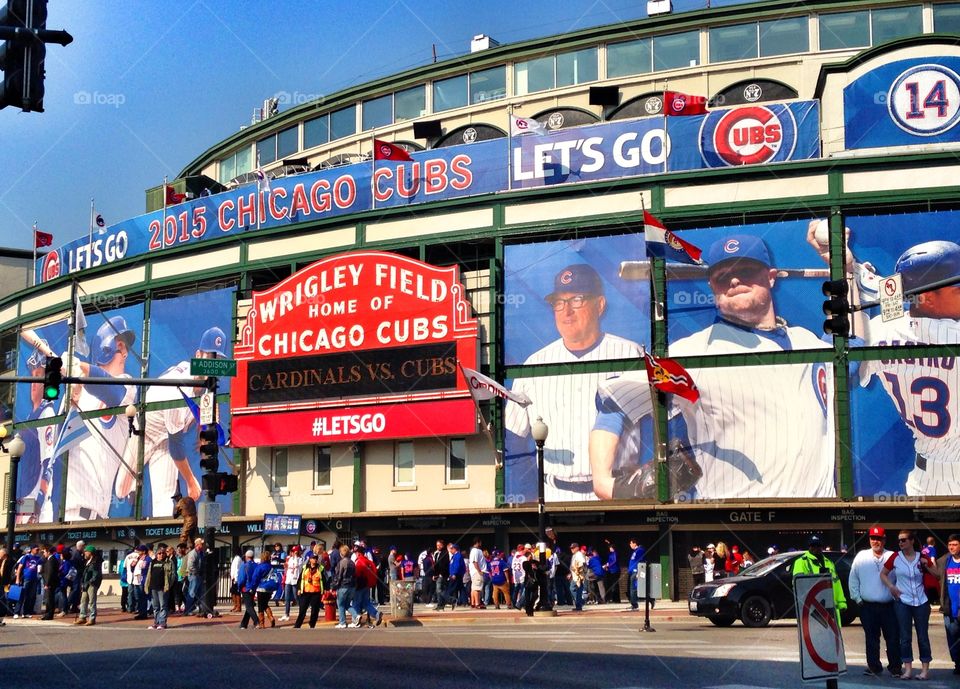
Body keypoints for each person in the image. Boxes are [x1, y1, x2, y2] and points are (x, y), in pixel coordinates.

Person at [591, 235, 835, 500]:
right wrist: (604, 483)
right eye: (722, 276)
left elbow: (851, 347)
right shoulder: (696, 351)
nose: (734, 280)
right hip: (735, 519)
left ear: (771, 277)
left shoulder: (807, 341)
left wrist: (844, 265)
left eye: (746, 271)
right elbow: (614, 400)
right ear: (712, 287)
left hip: (820, 516)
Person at [505, 263, 643, 501]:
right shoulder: (533, 364)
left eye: (577, 299)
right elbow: (513, 438)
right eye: (559, 302)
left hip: (618, 493)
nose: (566, 311)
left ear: (600, 305)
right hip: (553, 494)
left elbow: (657, 423)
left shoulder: (631, 354)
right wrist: (529, 494)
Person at [833, 239, 960, 497]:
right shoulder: (953, 334)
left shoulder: (880, 331)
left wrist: (850, 270)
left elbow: (892, 301)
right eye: (958, 289)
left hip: (924, 483)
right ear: (927, 298)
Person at [115, 327, 228, 516]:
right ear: (198, 354)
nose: (214, 364)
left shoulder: (204, 383)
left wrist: (204, 425)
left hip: (166, 441)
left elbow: (191, 423)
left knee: (164, 502)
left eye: (219, 360)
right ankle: (134, 484)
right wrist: (191, 481)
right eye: (210, 357)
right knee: (121, 490)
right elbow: (177, 446)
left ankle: (161, 539)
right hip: (146, 430)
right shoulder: (179, 390)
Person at [63, 317, 137, 522]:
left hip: (90, 516)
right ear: (105, 347)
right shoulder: (75, 388)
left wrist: (80, 367)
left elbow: (112, 392)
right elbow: (59, 445)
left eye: (125, 347)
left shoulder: (128, 385)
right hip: (57, 510)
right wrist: (72, 400)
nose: (125, 353)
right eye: (120, 345)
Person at [881, 530, 937, 680]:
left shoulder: (922, 557)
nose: (901, 543)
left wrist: (928, 566)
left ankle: (925, 670)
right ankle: (908, 670)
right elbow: (883, 574)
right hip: (903, 601)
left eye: (904, 540)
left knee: (922, 636)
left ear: (912, 541)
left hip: (921, 601)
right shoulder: (895, 557)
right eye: (899, 541)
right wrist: (891, 587)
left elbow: (937, 574)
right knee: (905, 637)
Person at [849, 526, 902, 677]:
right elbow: (853, 579)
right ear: (869, 539)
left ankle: (895, 667)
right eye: (873, 538)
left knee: (892, 637)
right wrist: (857, 598)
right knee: (871, 639)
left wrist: (898, 598)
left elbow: (901, 578)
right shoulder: (861, 556)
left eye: (879, 538)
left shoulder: (893, 556)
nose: (875, 541)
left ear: (884, 540)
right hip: (868, 606)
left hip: (889, 606)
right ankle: (874, 667)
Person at [792, 535, 847, 625]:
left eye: (818, 545)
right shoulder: (801, 562)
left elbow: (836, 583)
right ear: (809, 547)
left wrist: (841, 602)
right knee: (816, 637)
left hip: (830, 608)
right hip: (812, 609)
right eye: (813, 545)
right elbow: (799, 586)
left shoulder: (829, 563)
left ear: (822, 547)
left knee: (832, 637)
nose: (816, 548)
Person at [937, 533, 960, 676]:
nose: (952, 547)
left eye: (955, 544)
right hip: (949, 607)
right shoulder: (945, 560)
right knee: (953, 639)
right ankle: (958, 664)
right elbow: (936, 574)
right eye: (950, 545)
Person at [350, 543, 383, 628]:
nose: (355, 554)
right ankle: (376, 614)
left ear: (358, 553)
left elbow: (356, 574)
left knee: (356, 603)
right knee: (366, 603)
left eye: (356, 552)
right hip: (367, 585)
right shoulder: (369, 561)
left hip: (359, 585)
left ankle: (355, 621)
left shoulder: (359, 561)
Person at [147, 545, 175, 630]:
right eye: (159, 553)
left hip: (163, 587)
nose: (161, 555)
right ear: (156, 554)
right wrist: (147, 585)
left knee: (163, 605)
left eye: (163, 553)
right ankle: (156, 622)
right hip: (153, 586)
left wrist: (168, 585)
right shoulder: (153, 562)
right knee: (155, 606)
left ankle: (162, 623)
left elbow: (173, 575)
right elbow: (149, 574)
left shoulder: (169, 562)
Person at [294, 554, 323, 629]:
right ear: (310, 559)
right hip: (305, 592)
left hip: (316, 592)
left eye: (316, 558)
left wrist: (325, 589)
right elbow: (300, 579)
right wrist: (299, 589)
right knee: (302, 610)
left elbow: (324, 580)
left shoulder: (320, 568)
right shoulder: (304, 568)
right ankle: (297, 625)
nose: (315, 560)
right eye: (313, 558)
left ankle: (312, 624)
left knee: (315, 611)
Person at [14, 544, 42, 618]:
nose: (38, 551)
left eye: (38, 550)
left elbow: (41, 567)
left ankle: (26, 612)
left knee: (30, 596)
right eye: (36, 549)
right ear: (32, 549)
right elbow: (19, 568)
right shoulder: (26, 557)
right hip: (26, 578)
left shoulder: (38, 558)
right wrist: (17, 578)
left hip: (34, 579)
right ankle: (16, 612)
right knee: (22, 595)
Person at [75, 545, 101, 627]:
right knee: (83, 600)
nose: (85, 553)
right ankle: (82, 617)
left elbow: (96, 574)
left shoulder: (95, 562)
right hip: (86, 583)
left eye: (86, 551)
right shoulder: (87, 561)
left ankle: (92, 618)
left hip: (92, 584)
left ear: (90, 553)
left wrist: (90, 582)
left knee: (92, 601)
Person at [330, 544, 355, 629]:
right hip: (352, 586)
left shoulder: (341, 562)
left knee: (340, 604)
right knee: (347, 604)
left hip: (343, 586)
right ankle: (356, 615)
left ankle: (342, 622)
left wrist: (334, 586)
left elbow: (339, 576)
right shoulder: (352, 562)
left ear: (341, 553)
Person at [236, 550, 261, 629]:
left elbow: (242, 578)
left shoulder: (244, 565)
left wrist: (239, 587)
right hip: (253, 587)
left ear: (246, 557)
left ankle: (256, 621)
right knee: (249, 605)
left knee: (249, 606)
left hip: (246, 588)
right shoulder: (256, 565)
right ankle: (244, 623)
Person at [254, 551, 277, 628]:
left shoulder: (260, 566)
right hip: (269, 588)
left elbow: (255, 577)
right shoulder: (271, 567)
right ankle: (271, 617)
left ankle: (262, 623)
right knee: (265, 604)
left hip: (261, 587)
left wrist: (252, 586)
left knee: (260, 606)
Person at [281, 544, 303, 621]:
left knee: (296, 597)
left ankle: (302, 612)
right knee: (287, 597)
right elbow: (287, 567)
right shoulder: (290, 559)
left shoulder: (300, 559)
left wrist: (296, 556)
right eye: (293, 551)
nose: (293, 553)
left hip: (295, 580)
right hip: (289, 580)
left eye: (295, 552)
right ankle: (286, 614)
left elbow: (297, 565)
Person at [39, 544, 59, 620]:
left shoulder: (52, 560)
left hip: (50, 583)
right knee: (49, 599)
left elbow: (50, 573)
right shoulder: (48, 559)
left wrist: (47, 583)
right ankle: (48, 614)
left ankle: (49, 614)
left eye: (44, 552)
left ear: (48, 552)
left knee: (49, 599)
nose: (44, 554)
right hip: (49, 582)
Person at [468, 537, 487, 609]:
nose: (481, 544)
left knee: (473, 588)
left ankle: (473, 603)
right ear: (478, 542)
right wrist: (479, 571)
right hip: (477, 571)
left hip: (473, 572)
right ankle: (477, 603)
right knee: (477, 588)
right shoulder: (476, 550)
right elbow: (475, 562)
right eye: (480, 542)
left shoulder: (473, 550)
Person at [568, 542, 587, 611]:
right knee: (577, 590)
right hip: (575, 575)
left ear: (577, 548)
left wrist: (578, 571)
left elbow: (582, 563)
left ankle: (580, 603)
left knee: (573, 588)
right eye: (571, 548)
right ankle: (579, 604)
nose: (572, 549)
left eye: (573, 548)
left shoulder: (579, 554)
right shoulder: (574, 555)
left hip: (579, 576)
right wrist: (571, 573)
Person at [431, 539, 449, 609]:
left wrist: (441, 573)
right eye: (437, 545)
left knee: (438, 589)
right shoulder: (436, 554)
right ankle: (441, 604)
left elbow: (444, 564)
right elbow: (436, 565)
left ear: (442, 545)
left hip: (442, 574)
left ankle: (449, 599)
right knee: (440, 589)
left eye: (439, 545)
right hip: (437, 574)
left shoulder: (445, 553)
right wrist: (434, 574)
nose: (438, 547)